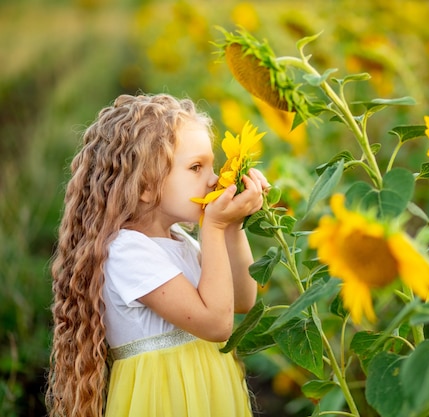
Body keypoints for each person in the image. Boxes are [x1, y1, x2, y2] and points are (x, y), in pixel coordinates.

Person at [47, 93, 267, 417]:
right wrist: (215, 226)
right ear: (146, 184)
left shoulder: (179, 240)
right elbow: (218, 324)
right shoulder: (127, 252)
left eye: (211, 164)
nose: (213, 179)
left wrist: (233, 226)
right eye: (196, 167)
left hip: (208, 390)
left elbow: (243, 300)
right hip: (166, 398)